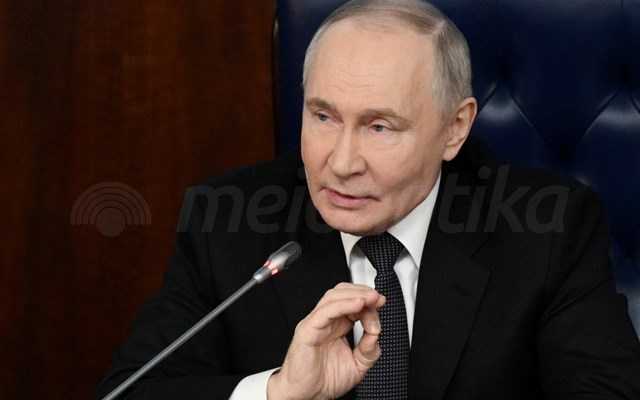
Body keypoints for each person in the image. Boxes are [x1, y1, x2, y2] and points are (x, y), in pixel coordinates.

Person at [96, 1, 640, 399]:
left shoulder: (549, 228)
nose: (341, 162)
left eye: (379, 126)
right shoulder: (226, 221)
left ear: (455, 128)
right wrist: (279, 392)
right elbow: (130, 391)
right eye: (323, 116)